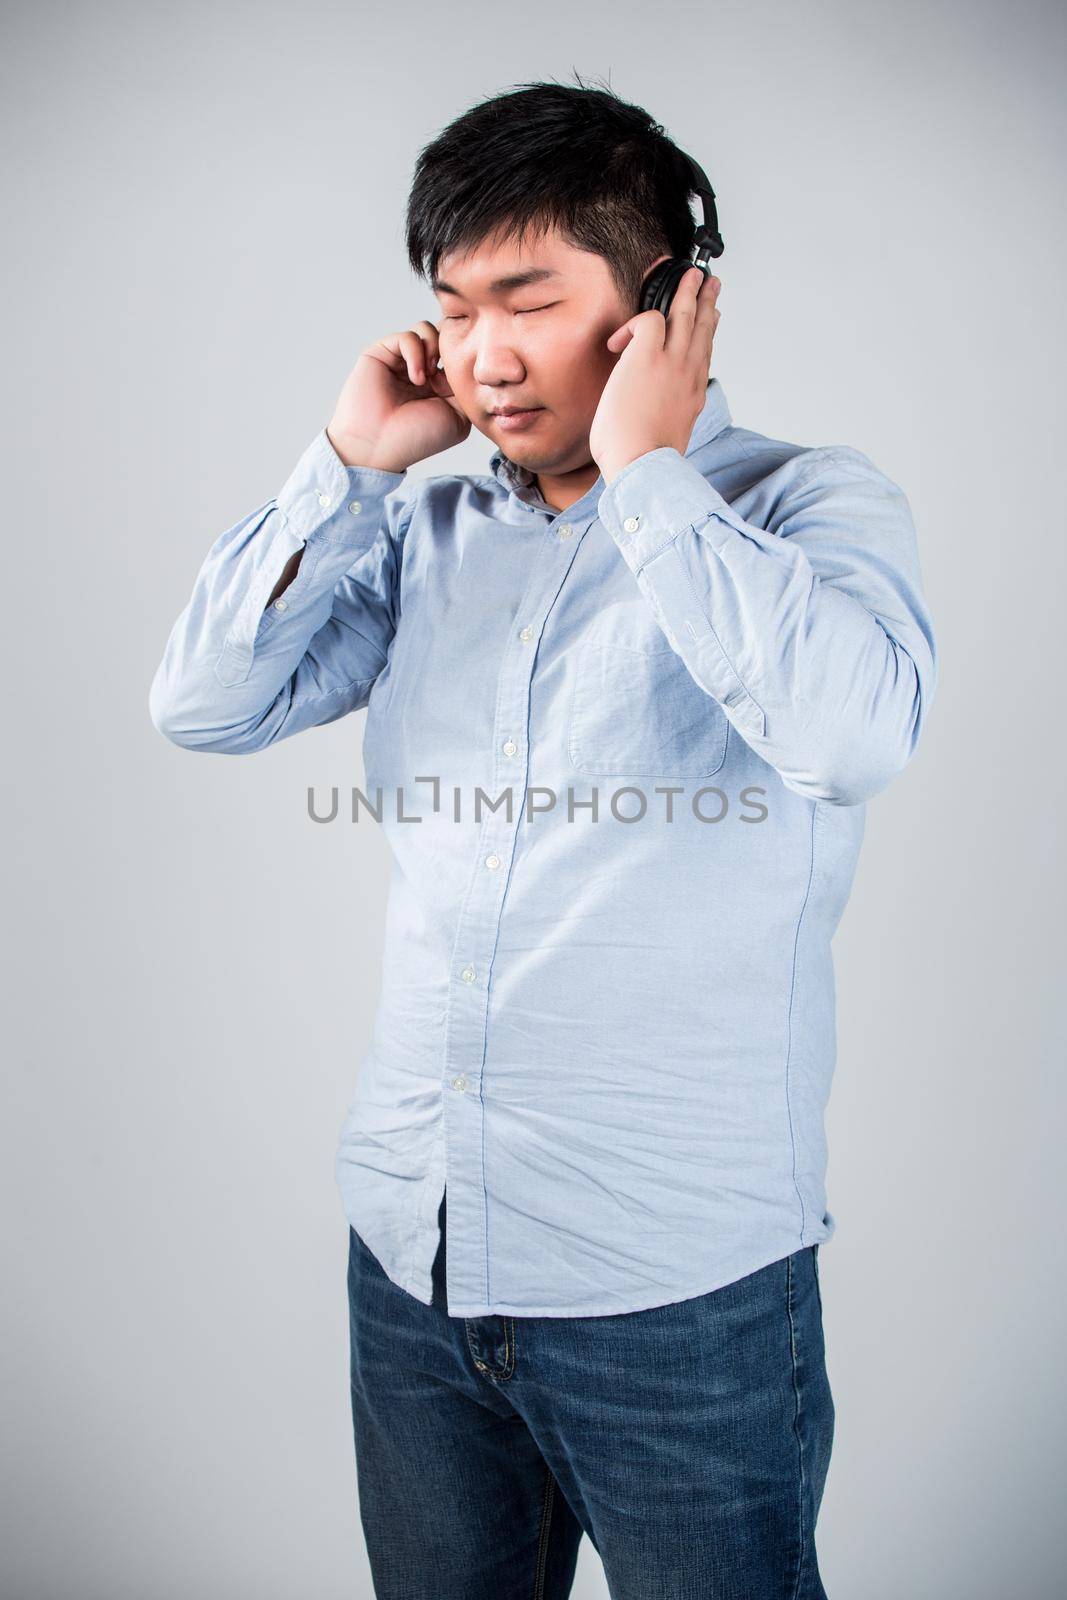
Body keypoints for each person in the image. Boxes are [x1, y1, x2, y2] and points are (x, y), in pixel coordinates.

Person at [149, 74, 937, 1600]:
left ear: (662, 302)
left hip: (678, 1294)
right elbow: (205, 703)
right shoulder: (425, 533)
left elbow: (850, 740)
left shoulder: (808, 512)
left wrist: (649, 473)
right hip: (416, 1264)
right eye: (450, 306)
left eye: (527, 298)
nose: (482, 356)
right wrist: (352, 463)